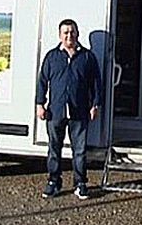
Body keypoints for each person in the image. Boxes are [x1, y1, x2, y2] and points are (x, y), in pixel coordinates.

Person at [36, 19, 102, 199]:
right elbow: (42, 81)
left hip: (79, 112)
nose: (69, 36)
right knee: (54, 149)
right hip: (55, 112)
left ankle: (80, 184)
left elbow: (96, 83)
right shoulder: (52, 57)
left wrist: (95, 104)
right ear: (59, 35)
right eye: (65, 32)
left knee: (79, 151)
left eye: (72, 32)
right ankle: (53, 183)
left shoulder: (87, 57)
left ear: (77, 34)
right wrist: (40, 104)